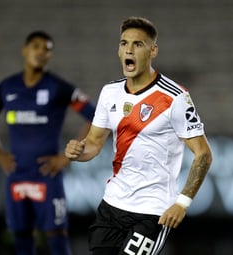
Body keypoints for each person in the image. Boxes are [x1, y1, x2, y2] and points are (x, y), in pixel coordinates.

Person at [64, 17, 213, 255]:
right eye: (124, 43)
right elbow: (93, 143)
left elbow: (203, 154)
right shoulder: (110, 92)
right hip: (112, 205)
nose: (129, 50)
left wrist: (182, 203)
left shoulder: (175, 97)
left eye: (138, 44)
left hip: (152, 212)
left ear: (153, 50)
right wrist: (78, 152)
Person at [0, 30, 96, 255]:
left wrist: (66, 157)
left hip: (47, 175)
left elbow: (96, 116)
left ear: (50, 56)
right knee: (22, 238)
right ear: (24, 50)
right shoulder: (8, 87)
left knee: (57, 238)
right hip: (17, 175)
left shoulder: (58, 87)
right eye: (36, 46)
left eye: (47, 49)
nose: (41, 52)